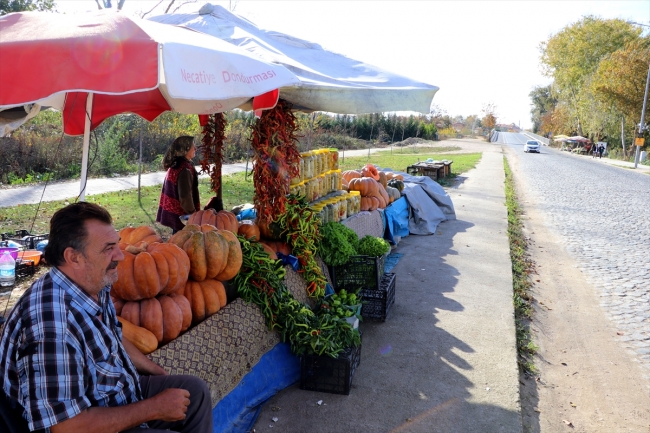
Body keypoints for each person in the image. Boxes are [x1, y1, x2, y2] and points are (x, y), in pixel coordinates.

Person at [0, 202, 213, 433]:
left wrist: (157, 371)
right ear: (74, 257)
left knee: (195, 392)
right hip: (86, 421)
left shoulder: (92, 283)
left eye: (117, 245)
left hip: (113, 392)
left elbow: (113, 335)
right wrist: (154, 408)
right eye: (108, 248)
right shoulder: (50, 326)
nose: (121, 255)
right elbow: (66, 427)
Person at [156, 136, 200, 233]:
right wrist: (193, 214)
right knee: (181, 242)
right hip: (181, 217)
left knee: (177, 239)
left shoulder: (177, 164)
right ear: (185, 149)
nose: (195, 148)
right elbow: (185, 196)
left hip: (176, 214)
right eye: (193, 146)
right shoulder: (184, 169)